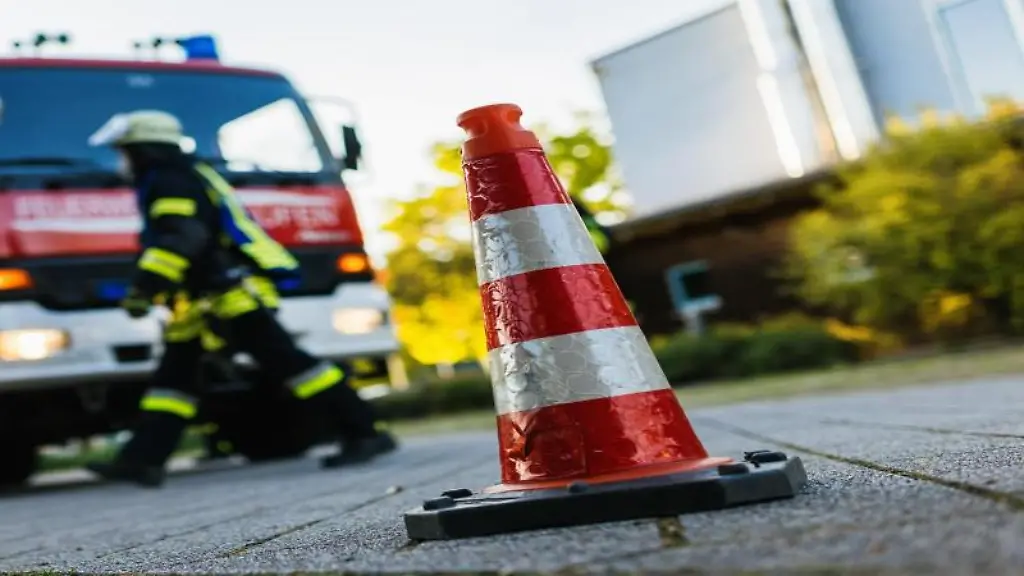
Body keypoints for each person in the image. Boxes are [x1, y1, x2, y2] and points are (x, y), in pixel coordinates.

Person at [84, 110, 396, 487]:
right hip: (204, 298)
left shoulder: (169, 180)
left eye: (125, 151)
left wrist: (144, 288)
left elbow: (181, 237)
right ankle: (141, 460)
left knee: (294, 366)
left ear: (143, 149)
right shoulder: (180, 174)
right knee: (174, 379)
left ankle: (364, 433)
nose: (122, 161)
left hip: (228, 295)